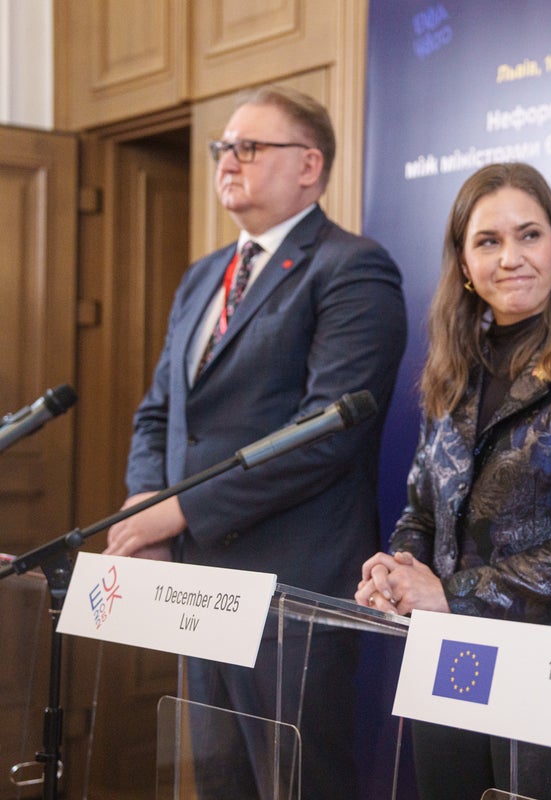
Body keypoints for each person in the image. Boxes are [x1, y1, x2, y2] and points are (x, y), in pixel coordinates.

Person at [104, 85, 406, 799]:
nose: (227, 160)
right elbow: (162, 412)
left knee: (296, 785)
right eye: (223, 147)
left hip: (292, 589)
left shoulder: (351, 267)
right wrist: (145, 501)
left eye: (249, 146)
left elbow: (323, 435)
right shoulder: (203, 276)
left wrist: (179, 511)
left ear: (309, 165)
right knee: (219, 782)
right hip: (198, 585)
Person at [355, 162, 551, 800]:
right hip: (450, 661)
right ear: (465, 265)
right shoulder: (452, 370)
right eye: (488, 241)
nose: (510, 257)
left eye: (529, 235)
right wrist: (397, 571)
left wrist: (448, 594)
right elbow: (422, 511)